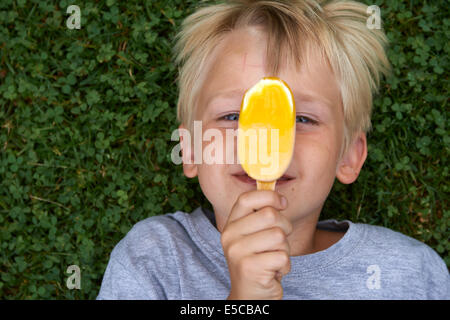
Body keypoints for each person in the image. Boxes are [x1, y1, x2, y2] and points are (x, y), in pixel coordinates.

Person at [97, 0, 449, 299]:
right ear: (189, 149)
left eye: (304, 119)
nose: (262, 136)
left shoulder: (409, 274)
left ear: (349, 156)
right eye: (233, 115)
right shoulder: (156, 260)